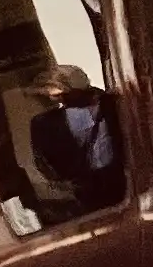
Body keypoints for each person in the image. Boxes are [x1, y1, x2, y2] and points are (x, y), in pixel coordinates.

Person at [26, 66, 127, 208]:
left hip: (89, 192)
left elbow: (47, 165)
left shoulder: (47, 124)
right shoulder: (111, 103)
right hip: (120, 180)